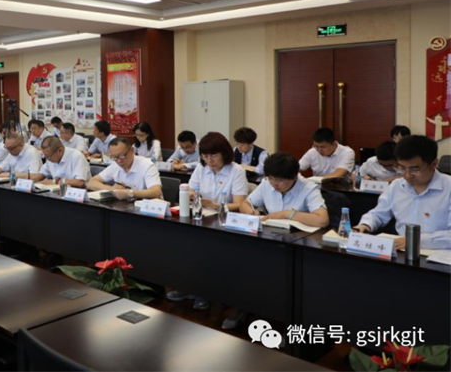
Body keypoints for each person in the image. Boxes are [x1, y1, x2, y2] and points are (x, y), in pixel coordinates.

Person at [232, 152, 329, 330]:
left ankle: (285, 320)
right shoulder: (266, 184)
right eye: (271, 178)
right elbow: (245, 203)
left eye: (280, 180)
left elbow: (322, 220)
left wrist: (288, 214)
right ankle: (244, 306)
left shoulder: (308, 188)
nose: (275, 184)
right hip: (269, 239)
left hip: (297, 246)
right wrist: (252, 213)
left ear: (294, 176)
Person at [167, 132, 248, 310]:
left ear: (224, 153)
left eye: (214, 156)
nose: (209, 161)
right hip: (201, 217)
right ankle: (187, 286)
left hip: (224, 222)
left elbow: (240, 204)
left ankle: (204, 292)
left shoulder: (236, 171)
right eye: (205, 156)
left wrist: (216, 205)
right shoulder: (201, 168)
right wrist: (190, 194)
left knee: (203, 248)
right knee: (179, 242)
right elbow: (191, 189)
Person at [355, 135, 451, 250]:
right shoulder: (397, 186)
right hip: (401, 251)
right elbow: (378, 214)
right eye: (402, 168)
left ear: (434, 163)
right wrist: (365, 225)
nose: (407, 175)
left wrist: (415, 240)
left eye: (415, 169)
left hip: (440, 254)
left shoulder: (448, 188)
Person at [87, 137, 163, 200]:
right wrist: (112, 189)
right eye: (114, 157)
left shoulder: (147, 165)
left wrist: (129, 193)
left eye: (122, 156)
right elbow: (91, 182)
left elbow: (156, 192)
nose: (119, 161)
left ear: (132, 150)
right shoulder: (114, 166)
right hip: (125, 207)